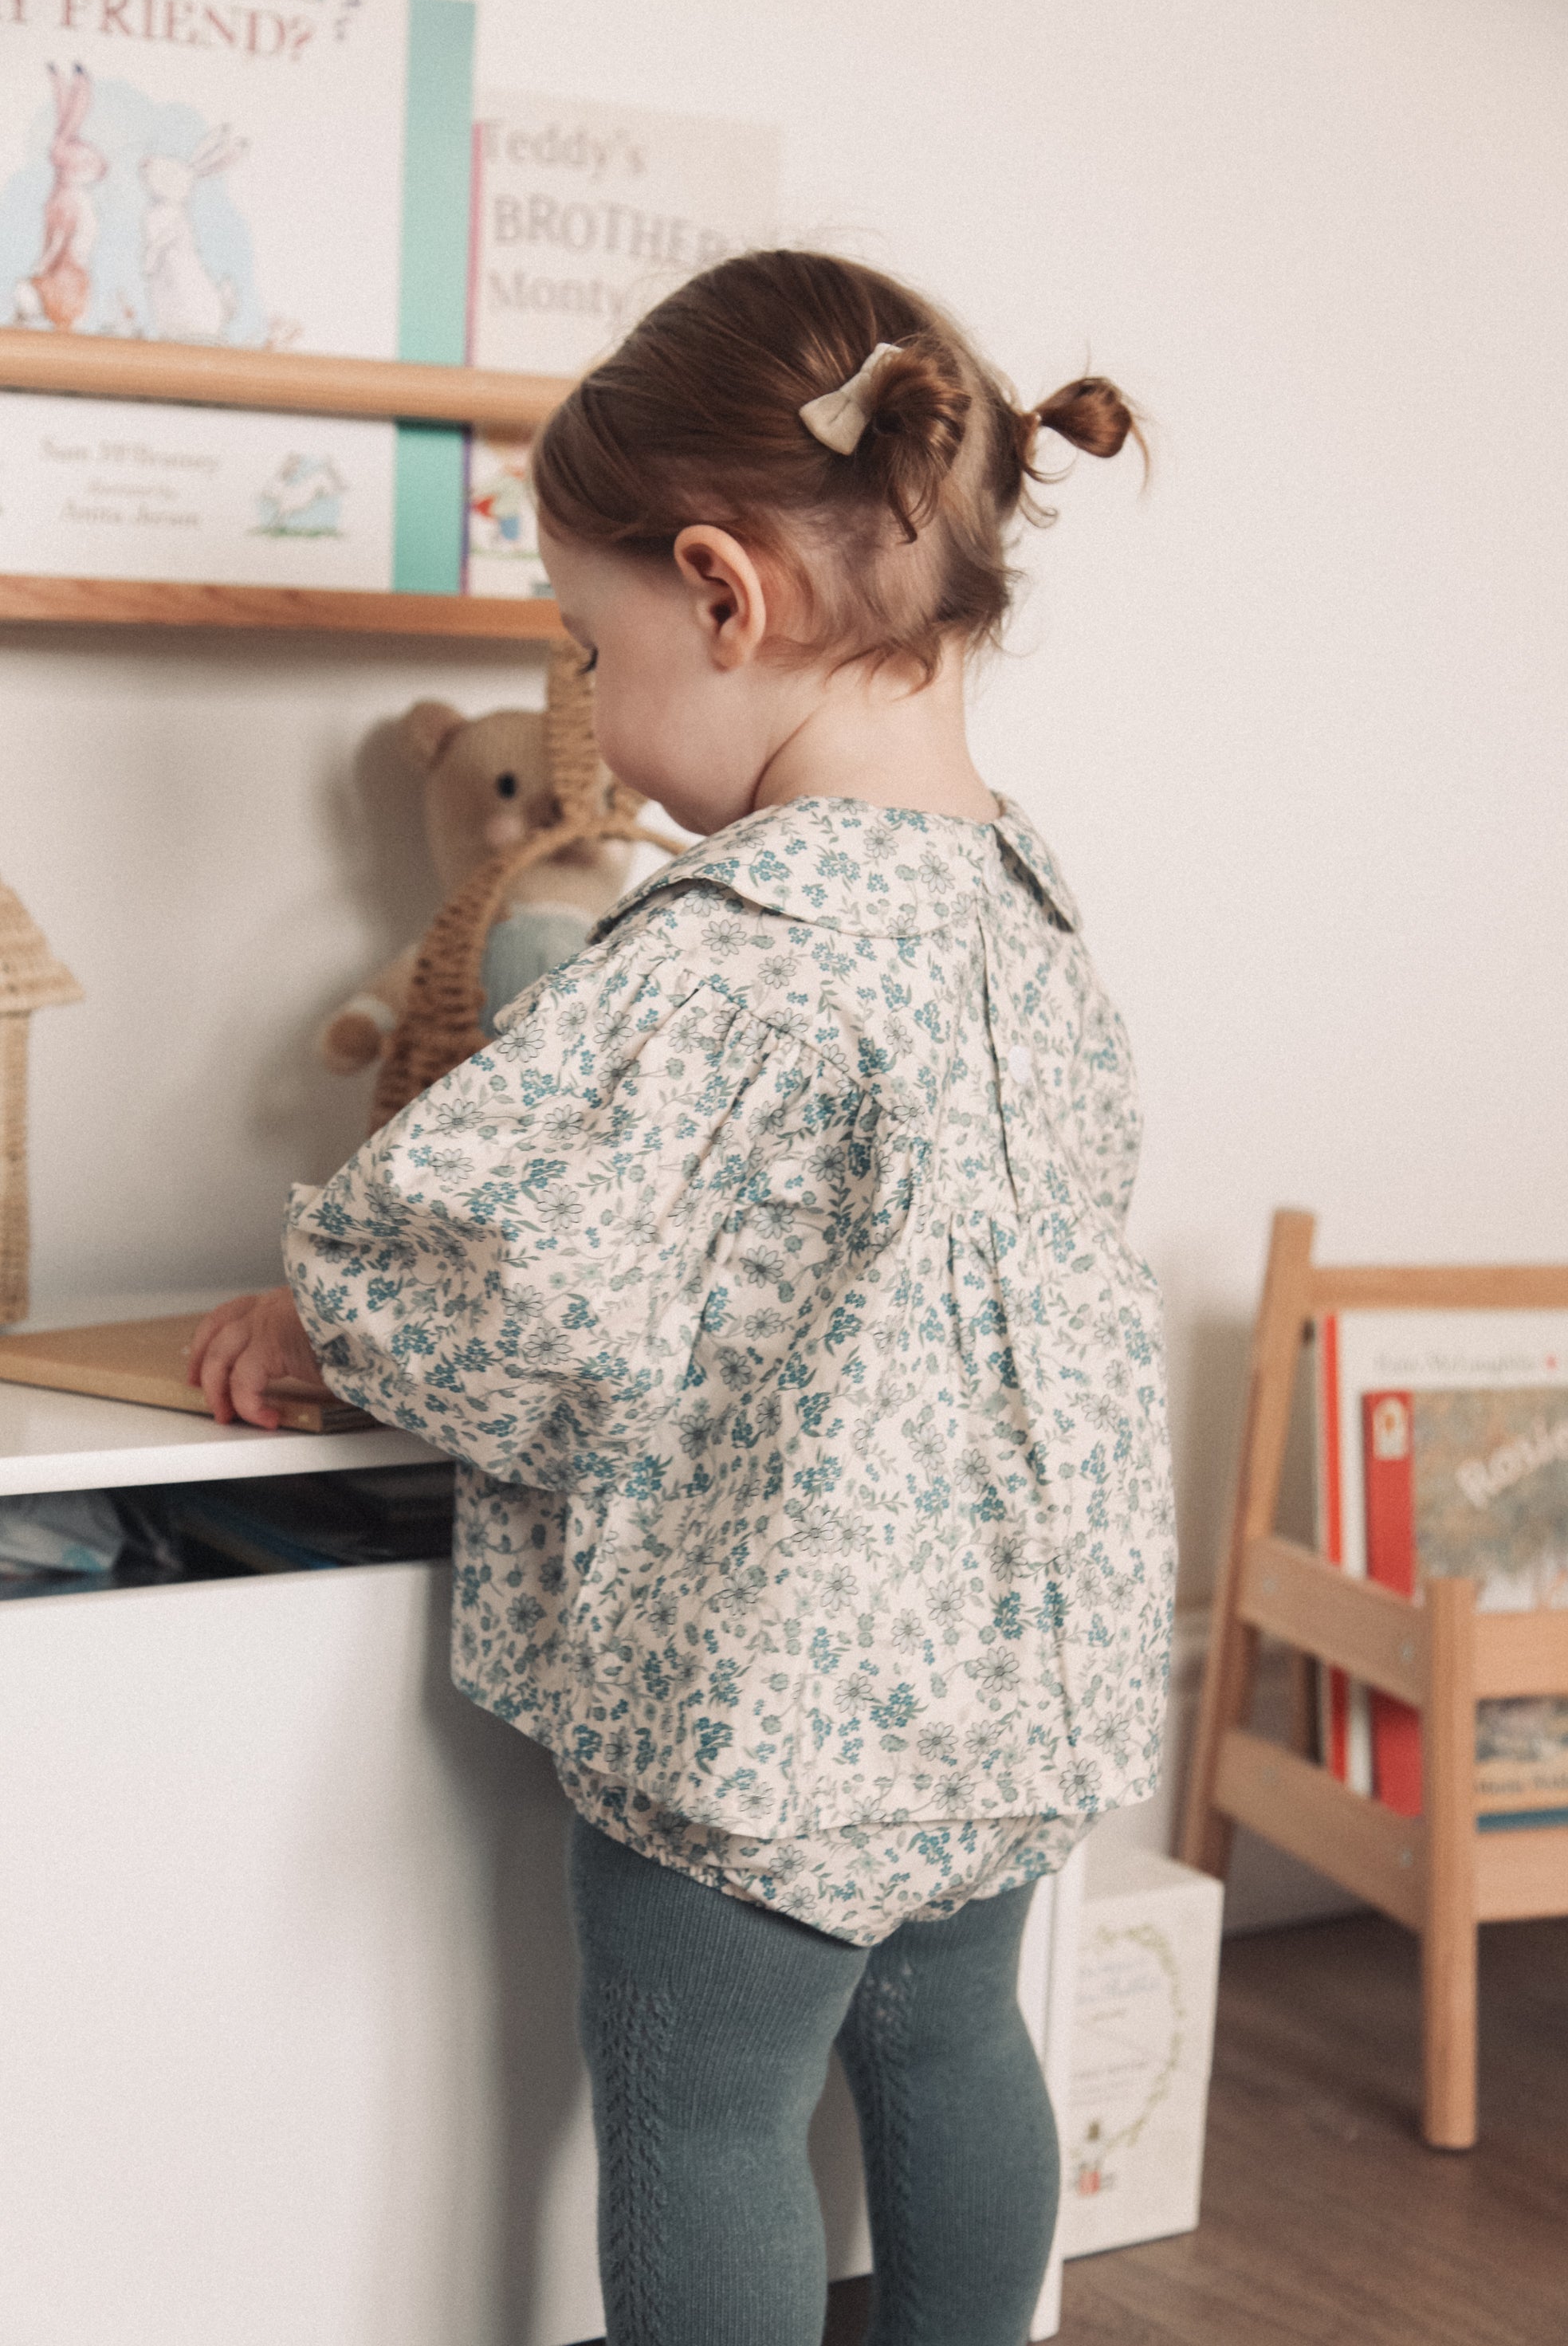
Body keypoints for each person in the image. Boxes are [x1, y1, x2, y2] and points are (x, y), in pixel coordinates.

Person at [189, 250, 1177, 2346]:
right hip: (1007, 1684)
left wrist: (317, 1314)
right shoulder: (1030, 908)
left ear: (724, 595)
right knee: (953, 2045)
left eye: (589, 641)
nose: (599, 708)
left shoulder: (726, 948)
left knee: (707, 2116)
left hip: (768, 1700)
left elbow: (506, 1263)